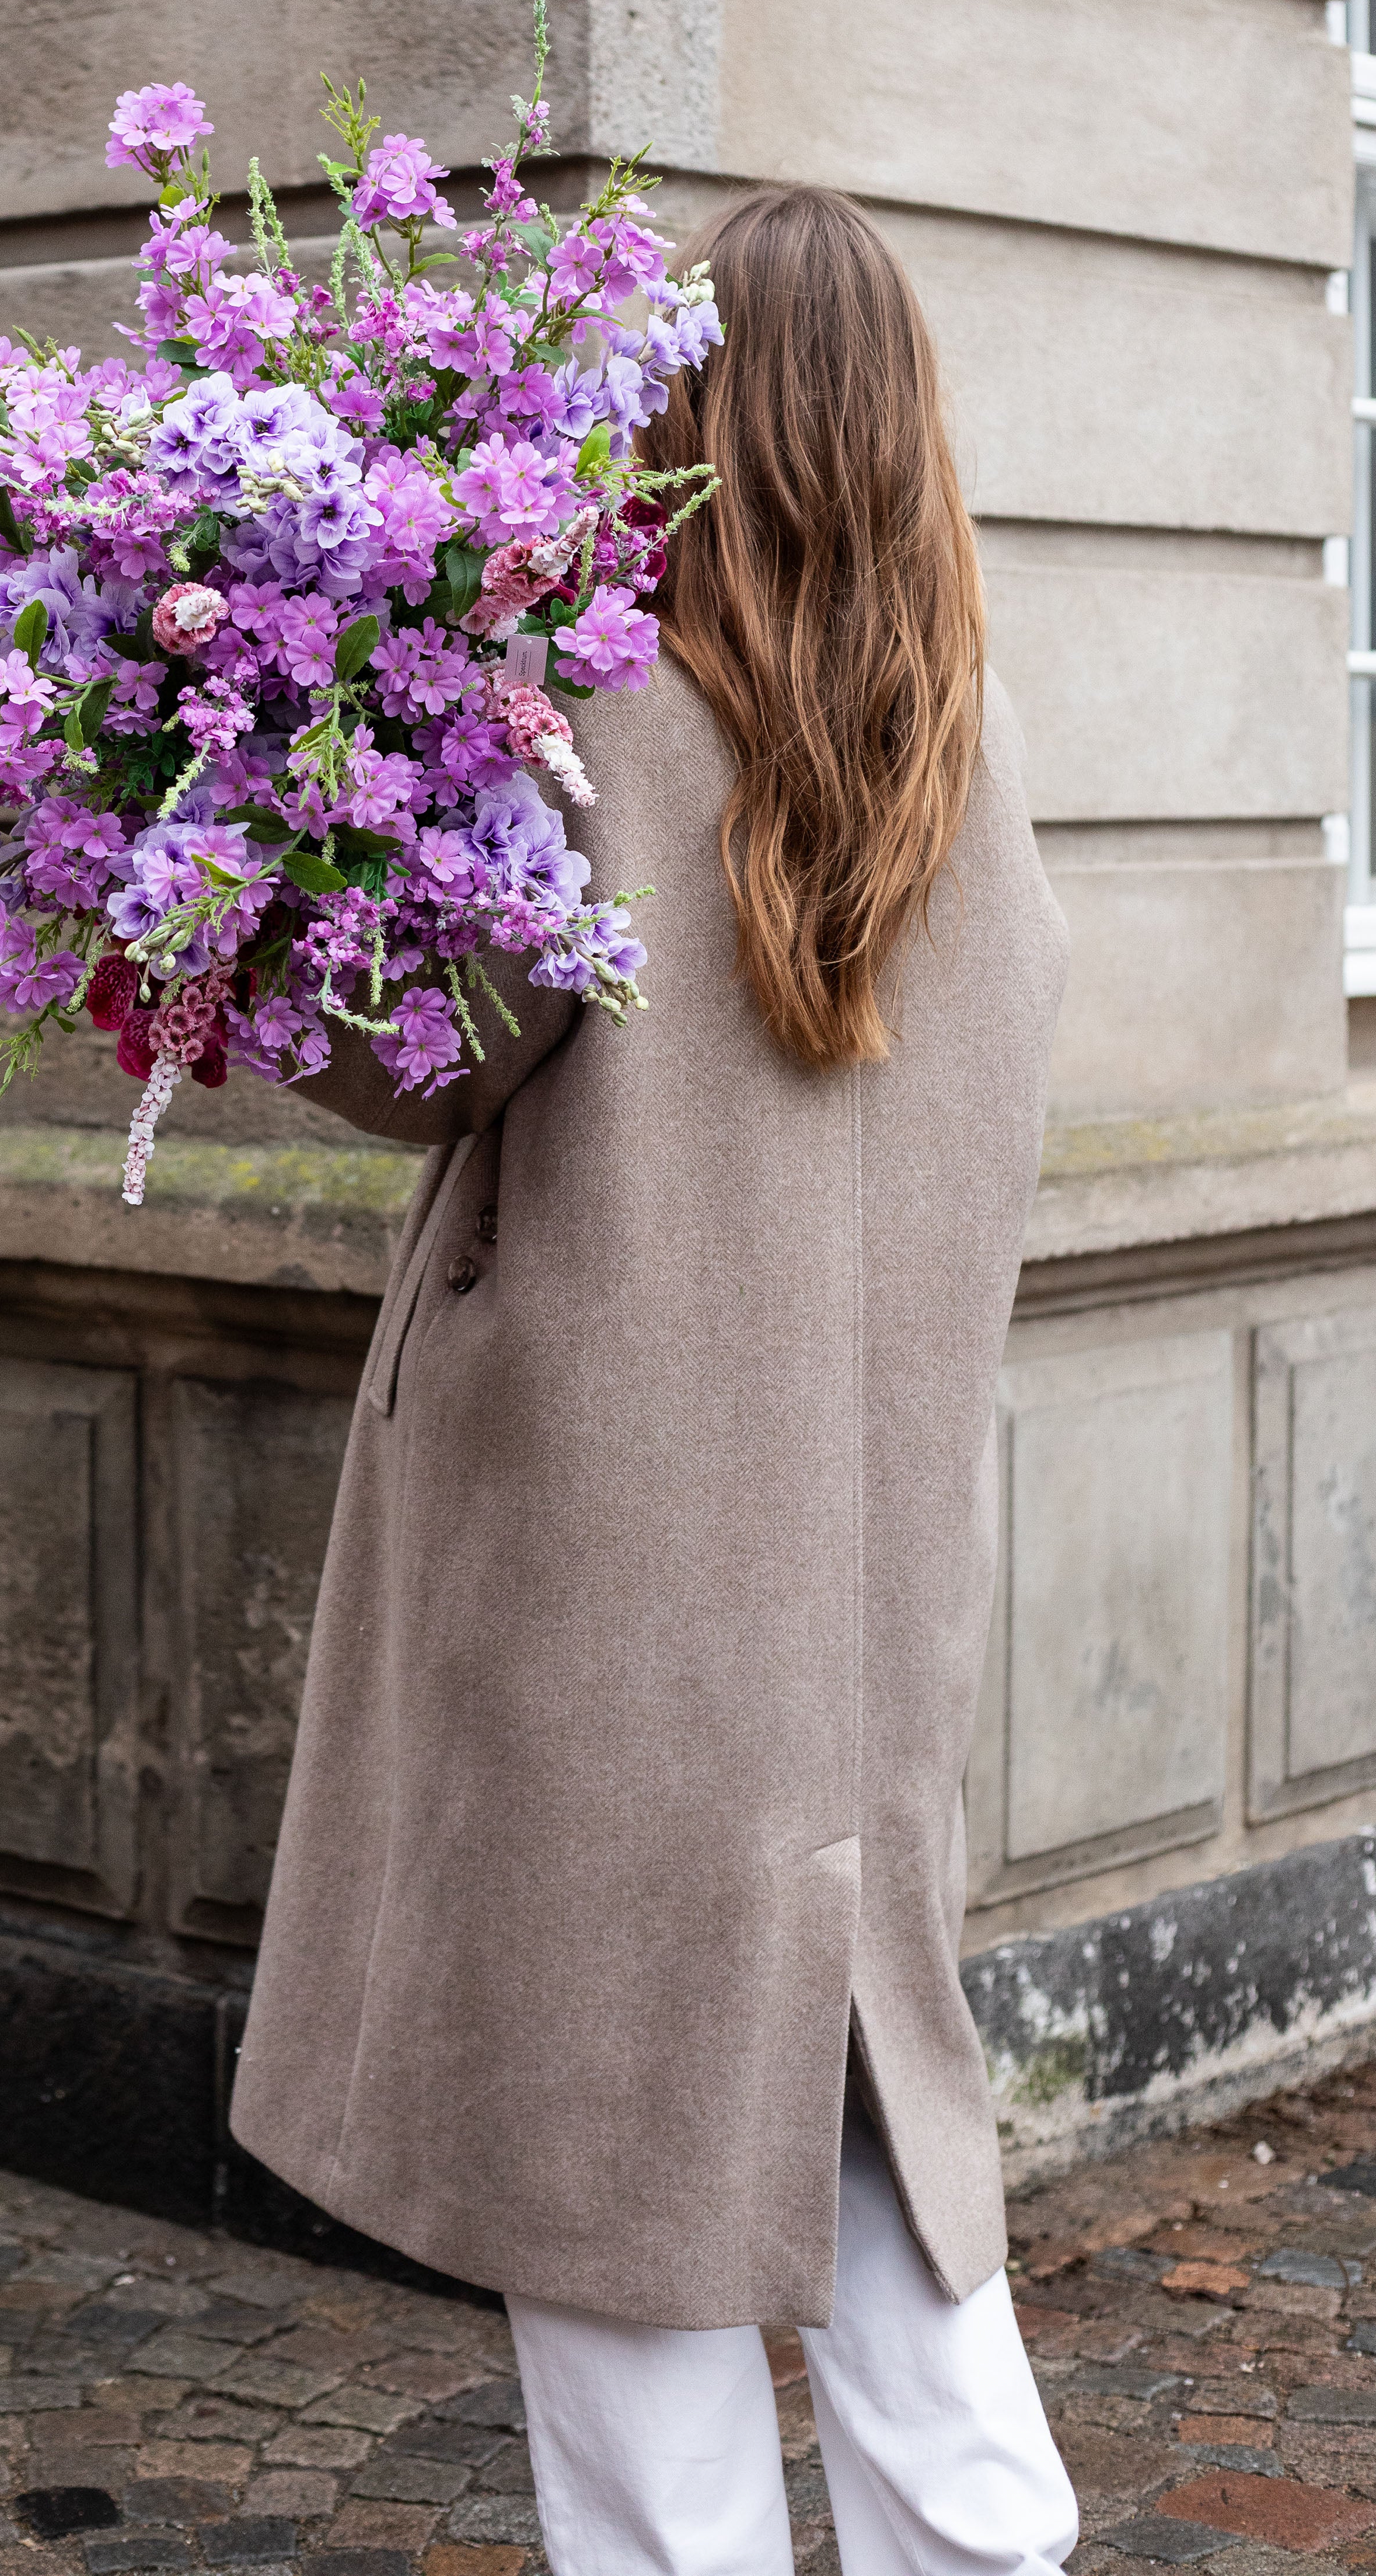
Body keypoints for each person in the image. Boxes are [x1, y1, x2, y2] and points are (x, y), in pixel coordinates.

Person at [228, 184, 1078, 2576]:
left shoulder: (589, 715)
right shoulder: (971, 755)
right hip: (853, 1597)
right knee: (885, 2163)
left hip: (603, 1606)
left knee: (614, 2222)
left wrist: (263, 845)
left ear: (685, 418)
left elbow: (417, 1061)